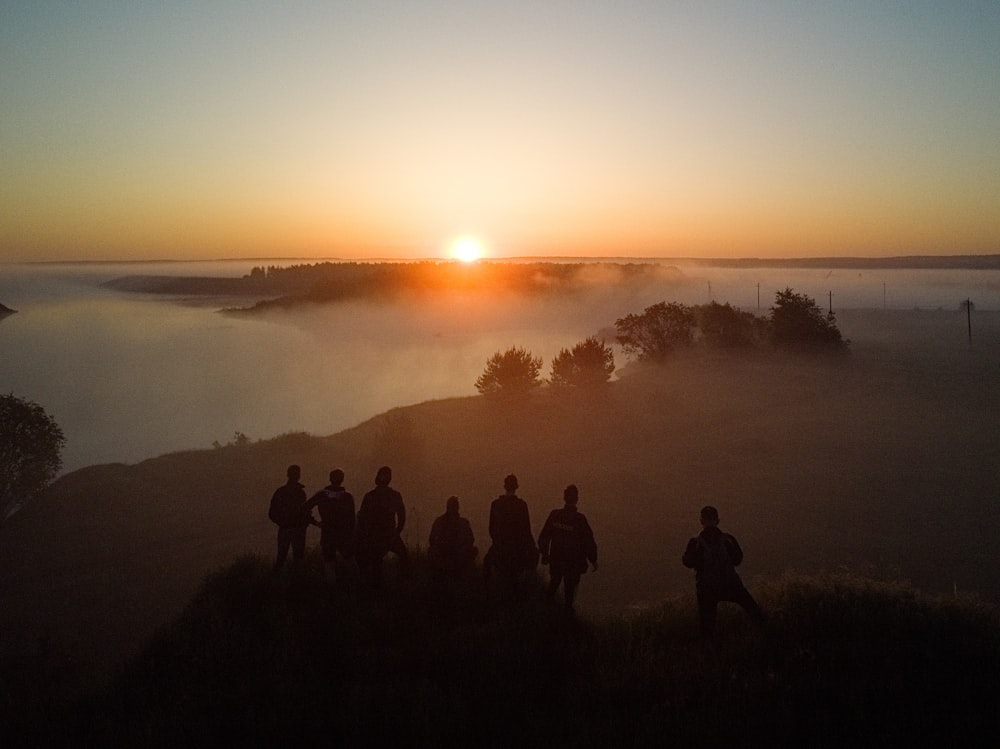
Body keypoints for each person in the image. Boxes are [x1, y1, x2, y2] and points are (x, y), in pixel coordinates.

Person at [682, 505, 763, 637]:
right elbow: (738, 560)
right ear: (718, 520)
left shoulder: (695, 542)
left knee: (706, 629)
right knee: (756, 613)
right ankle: (767, 641)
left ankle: (709, 654)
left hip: (707, 589)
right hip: (731, 585)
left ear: (701, 521)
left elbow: (687, 563)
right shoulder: (728, 539)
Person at [537, 484, 597, 612]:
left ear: (564, 498)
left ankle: (545, 613)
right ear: (577, 499)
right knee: (569, 594)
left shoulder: (555, 515)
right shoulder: (580, 520)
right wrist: (593, 560)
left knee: (553, 586)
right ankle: (566, 619)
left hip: (556, 560)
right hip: (573, 564)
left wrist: (545, 554)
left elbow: (544, 536)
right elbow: (588, 541)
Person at [355, 465, 408, 589]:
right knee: (403, 557)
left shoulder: (370, 496)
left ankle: (377, 589)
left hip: (377, 535)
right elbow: (402, 515)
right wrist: (397, 531)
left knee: (376, 563)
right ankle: (403, 583)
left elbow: (362, 517)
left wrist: (364, 535)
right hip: (388, 534)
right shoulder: (394, 495)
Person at [485, 474, 537, 599]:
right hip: (517, 549)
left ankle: (487, 596)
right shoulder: (521, 505)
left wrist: (498, 541)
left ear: (505, 486)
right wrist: (530, 547)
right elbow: (526, 529)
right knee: (516, 580)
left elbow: (491, 528)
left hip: (500, 547)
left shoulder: (496, 504)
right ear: (516, 487)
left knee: (488, 568)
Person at [303, 469, 356, 586]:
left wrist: (315, 522)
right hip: (344, 535)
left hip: (327, 534)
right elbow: (352, 520)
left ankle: (331, 593)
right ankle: (352, 589)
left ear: (330, 478)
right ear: (342, 480)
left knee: (329, 564)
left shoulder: (322, 495)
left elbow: (305, 508)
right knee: (349, 562)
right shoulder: (347, 497)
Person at [268, 464, 315, 571]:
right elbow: (305, 512)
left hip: (285, 529)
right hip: (298, 530)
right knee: (298, 559)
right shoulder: (300, 493)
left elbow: (272, 513)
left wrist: (282, 523)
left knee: (281, 559)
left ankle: (276, 583)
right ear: (299, 476)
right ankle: (296, 583)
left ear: (287, 475)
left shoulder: (280, 492)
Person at [428, 495, 478, 584]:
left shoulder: (439, 521)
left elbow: (431, 539)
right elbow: (471, 540)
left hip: (446, 555)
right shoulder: (463, 523)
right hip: (455, 555)